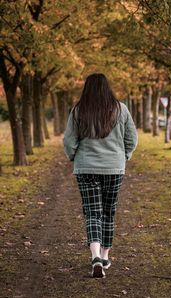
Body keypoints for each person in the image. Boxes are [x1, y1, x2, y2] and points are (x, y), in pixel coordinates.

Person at [63, 73, 138, 278]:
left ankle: (95, 256)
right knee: (108, 212)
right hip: (114, 168)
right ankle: (105, 256)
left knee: (92, 212)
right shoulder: (121, 109)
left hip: (86, 168)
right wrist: (124, 157)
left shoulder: (79, 111)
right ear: (107, 88)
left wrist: (74, 157)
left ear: (86, 88)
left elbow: (69, 141)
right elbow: (132, 138)